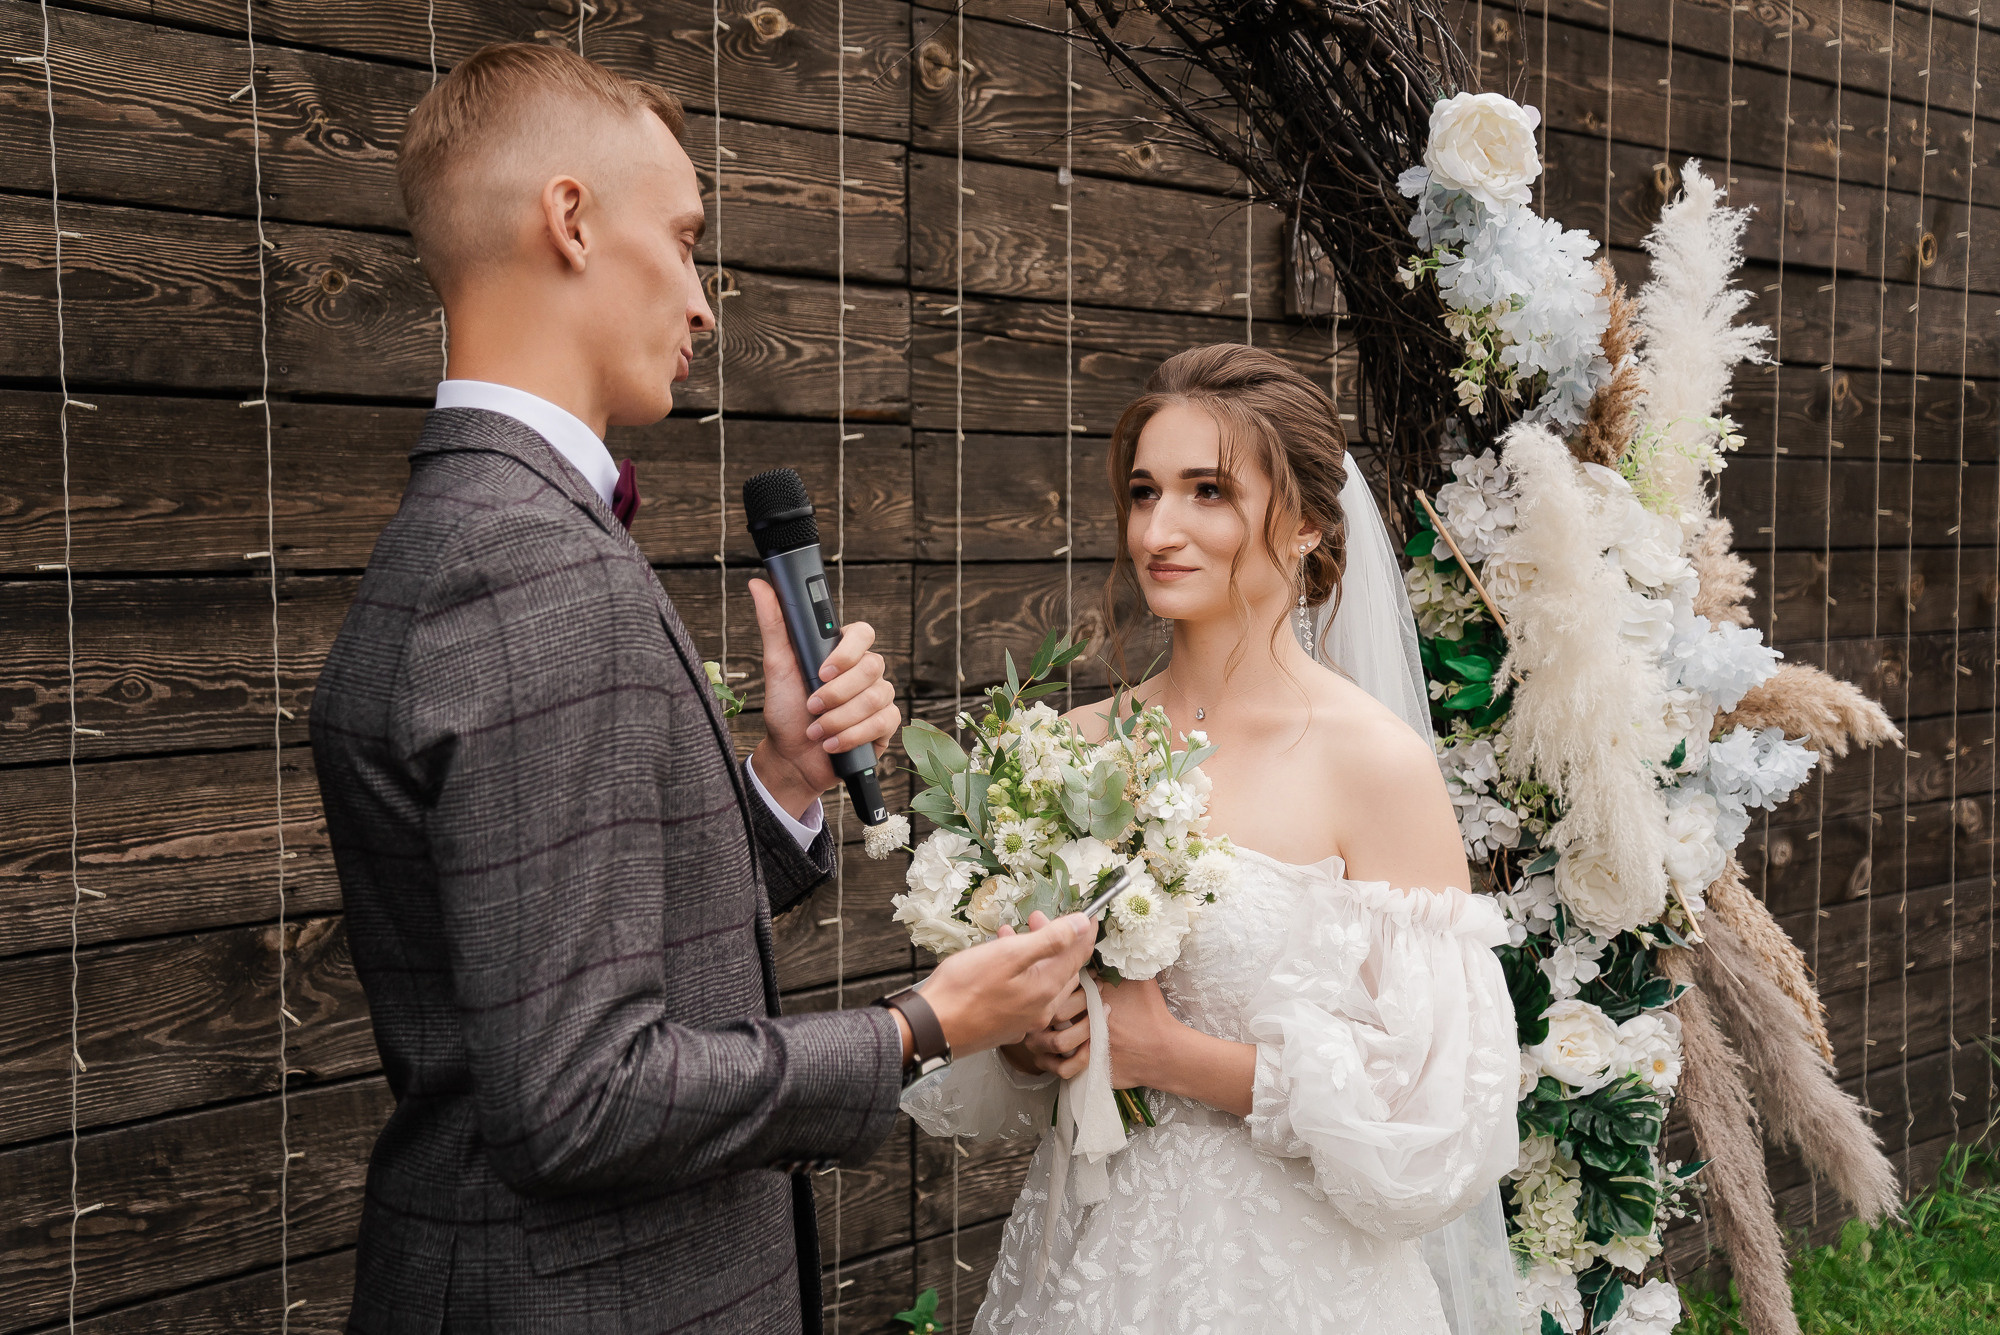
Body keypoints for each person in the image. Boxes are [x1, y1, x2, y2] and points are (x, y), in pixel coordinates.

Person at [309, 43, 1097, 1335]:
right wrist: (919, 1024)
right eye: (681, 240)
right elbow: (580, 1093)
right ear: (568, 219)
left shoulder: (489, 531)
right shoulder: (527, 571)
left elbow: (559, 932)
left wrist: (784, 778)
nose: (704, 302)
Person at [903, 345, 1521, 1334]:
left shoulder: (1374, 764)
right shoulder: (1071, 748)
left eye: (1207, 492)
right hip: (1091, 1256)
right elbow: (996, 1036)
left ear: (1309, 522)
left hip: (1298, 1281)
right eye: (1143, 491)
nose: (1158, 528)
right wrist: (1033, 1041)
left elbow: (1433, 1116)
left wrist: (1171, 1056)